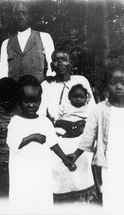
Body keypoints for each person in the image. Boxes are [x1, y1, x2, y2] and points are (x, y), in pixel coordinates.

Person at [68, 64, 124, 213]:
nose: (119, 86)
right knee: (114, 196)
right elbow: (88, 136)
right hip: (111, 163)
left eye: (123, 83)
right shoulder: (99, 110)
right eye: (113, 83)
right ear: (106, 85)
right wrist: (75, 154)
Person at [6, 75, 76, 209]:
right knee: (23, 200)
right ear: (19, 101)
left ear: (40, 100)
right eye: (26, 101)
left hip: (40, 170)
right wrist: (33, 137)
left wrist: (64, 158)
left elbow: (53, 142)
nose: (31, 105)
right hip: (22, 172)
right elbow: (13, 144)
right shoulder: (16, 121)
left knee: (41, 199)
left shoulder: (44, 121)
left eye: (35, 101)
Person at [38, 49, 97, 202]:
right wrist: (60, 127)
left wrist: (82, 126)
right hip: (57, 131)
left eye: (64, 59)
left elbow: (92, 110)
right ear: (52, 65)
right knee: (55, 156)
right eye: (56, 60)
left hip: (82, 130)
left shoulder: (81, 80)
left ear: (70, 63)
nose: (61, 63)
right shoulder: (46, 85)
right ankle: (61, 199)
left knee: (83, 153)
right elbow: (42, 115)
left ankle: (84, 199)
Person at [0, 2, 55, 82]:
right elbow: (3, 73)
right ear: (13, 17)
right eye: (17, 14)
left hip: (38, 91)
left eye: (24, 13)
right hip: (14, 92)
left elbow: (52, 67)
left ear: (30, 17)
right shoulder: (6, 43)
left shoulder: (44, 37)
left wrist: (48, 87)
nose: (21, 17)